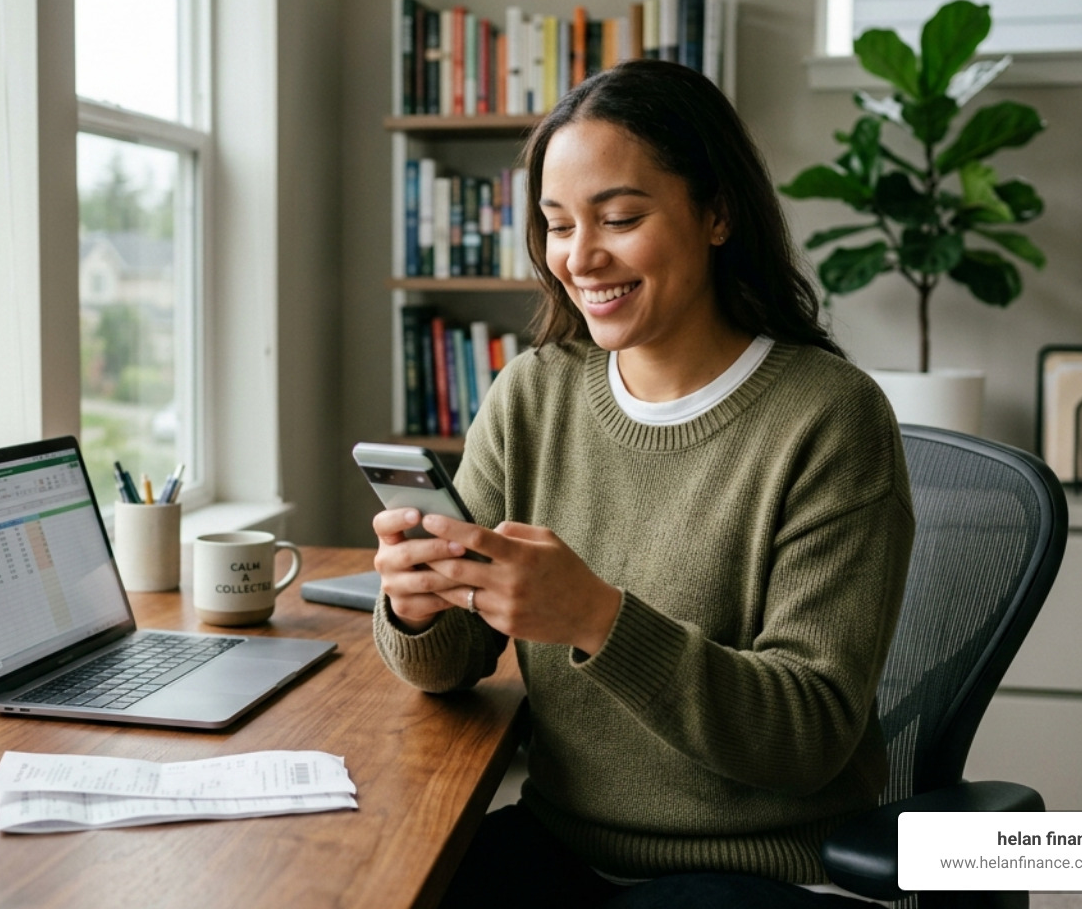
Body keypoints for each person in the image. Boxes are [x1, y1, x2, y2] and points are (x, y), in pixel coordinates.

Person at [371, 59, 915, 908]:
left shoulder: (831, 419)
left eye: (619, 218)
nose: (579, 258)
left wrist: (595, 617)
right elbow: (454, 664)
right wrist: (417, 605)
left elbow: (807, 734)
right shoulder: (534, 392)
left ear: (718, 213)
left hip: (755, 871)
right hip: (561, 843)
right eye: (556, 226)